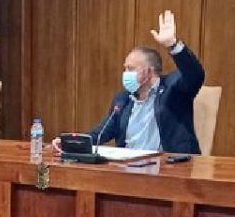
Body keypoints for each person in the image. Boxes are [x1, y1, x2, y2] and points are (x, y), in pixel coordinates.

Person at [55, 10, 205, 155]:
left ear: (149, 71)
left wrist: (173, 44)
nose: (126, 73)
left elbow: (195, 74)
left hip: (167, 170)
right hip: (128, 168)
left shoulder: (174, 89)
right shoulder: (123, 99)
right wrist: (71, 144)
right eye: (125, 68)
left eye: (131, 68)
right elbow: (100, 133)